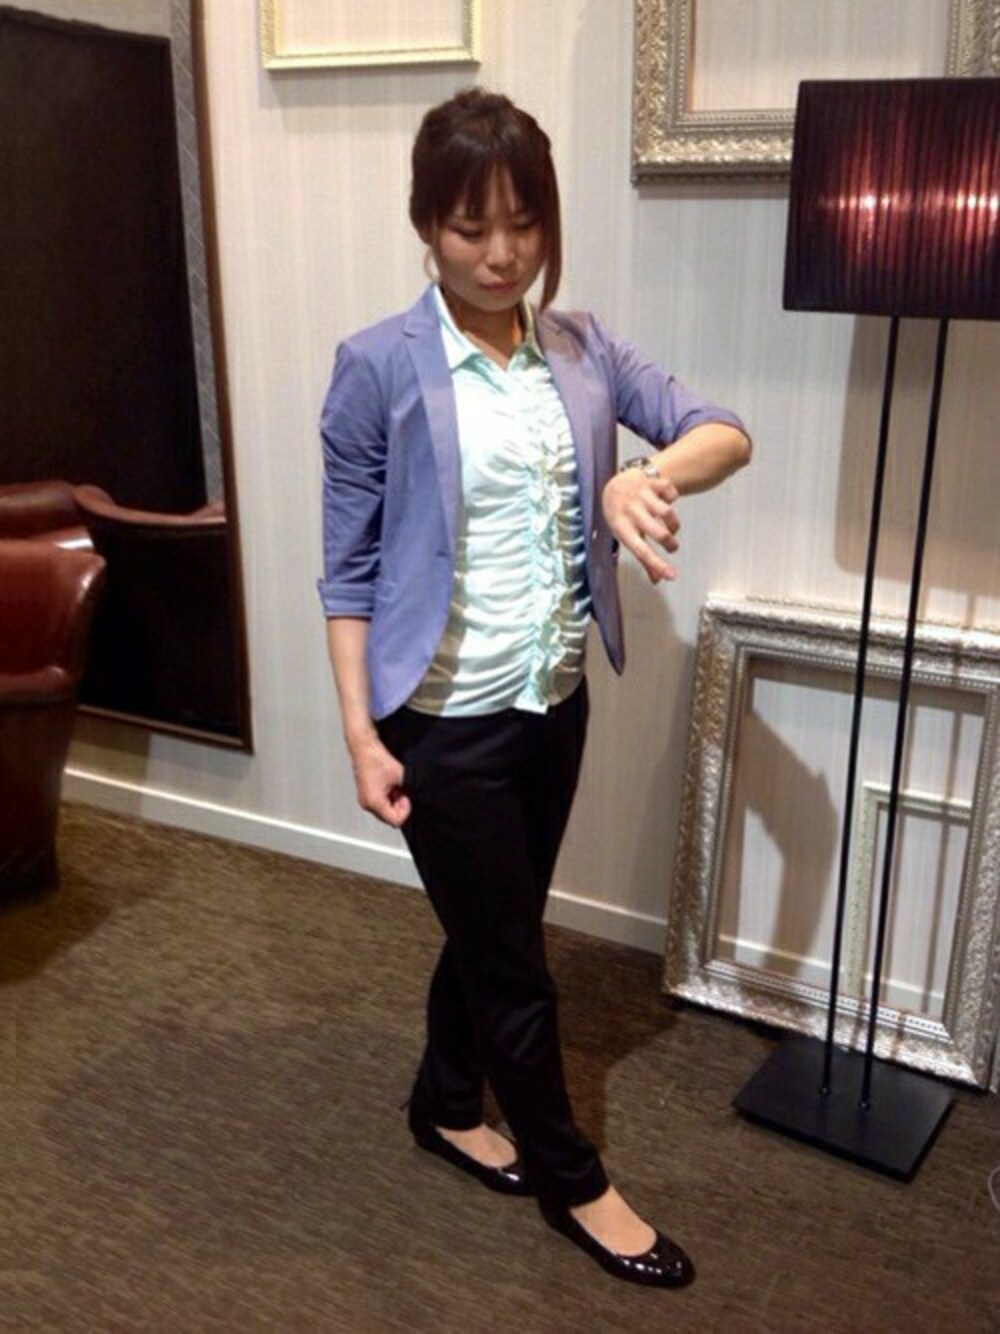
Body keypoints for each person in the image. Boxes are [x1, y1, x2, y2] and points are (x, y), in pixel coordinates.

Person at [319, 88, 750, 1289]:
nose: (501, 253)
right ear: (426, 224)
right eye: (471, 227)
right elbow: (347, 570)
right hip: (438, 719)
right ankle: (574, 1179)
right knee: (514, 958)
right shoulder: (376, 366)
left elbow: (722, 430)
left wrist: (639, 478)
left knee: (489, 922)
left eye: (523, 223)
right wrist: (360, 735)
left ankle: (446, 1099)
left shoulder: (582, 348)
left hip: (552, 702)